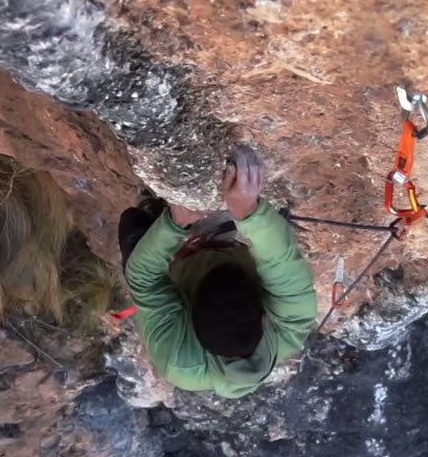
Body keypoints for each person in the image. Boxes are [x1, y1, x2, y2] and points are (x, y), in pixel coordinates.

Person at [118, 150, 317, 398]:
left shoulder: (178, 361)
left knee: (133, 225)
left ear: (189, 314)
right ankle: (214, 236)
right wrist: (249, 212)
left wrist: (174, 224)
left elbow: (144, 282)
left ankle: (158, 212)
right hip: (229, 248)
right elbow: (278, 259)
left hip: (184, 265)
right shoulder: (293, 322)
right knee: (267, 230)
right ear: (265, 317)